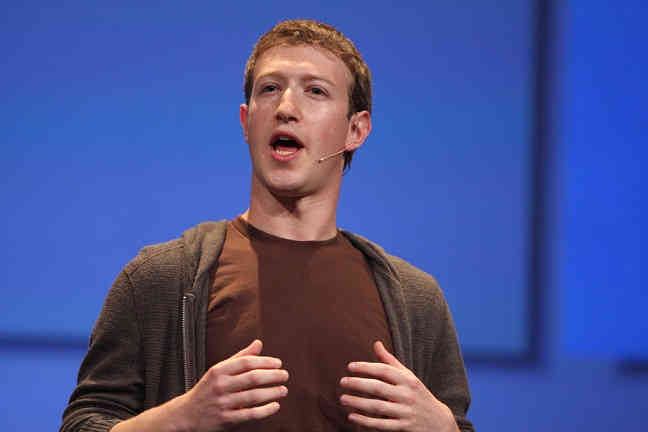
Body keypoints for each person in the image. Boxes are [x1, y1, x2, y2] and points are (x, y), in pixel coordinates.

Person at [60, 19, 474, 432]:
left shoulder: (416, 301)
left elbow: (455, 423)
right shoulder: (160, 280)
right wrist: (180, 418)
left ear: (356, 129)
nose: (286, 108)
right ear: (246, 121)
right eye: (270, 89)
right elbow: (83, 423)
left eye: (315, 91)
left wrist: (445, 429)